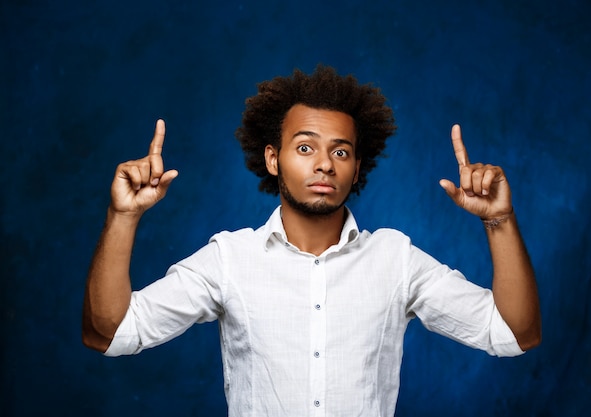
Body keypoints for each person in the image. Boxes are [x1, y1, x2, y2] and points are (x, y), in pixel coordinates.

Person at [82, 65, 541, 416]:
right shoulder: (230, 259)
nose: (325, 164)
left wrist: (499, 221)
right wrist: (122, 216)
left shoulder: (394, 258)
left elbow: (514, 333)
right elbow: (110, 332)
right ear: (273, 159)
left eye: (340, 151)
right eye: (305, 147)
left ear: (357, 168)